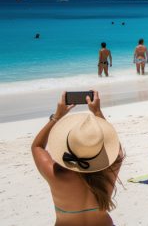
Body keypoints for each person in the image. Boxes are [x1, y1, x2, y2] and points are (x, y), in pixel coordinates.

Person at [32, 91, 124, 226]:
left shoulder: (55, 175)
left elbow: (37, 147)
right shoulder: (110, 170)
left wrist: (57, 117)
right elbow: (117, 148)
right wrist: (97, 112)